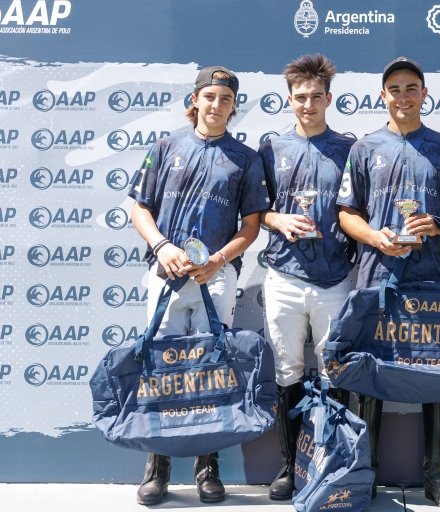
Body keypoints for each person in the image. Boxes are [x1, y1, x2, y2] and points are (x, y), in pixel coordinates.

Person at [128, 66, 269, 506]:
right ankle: (159, 466)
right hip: (165, 273)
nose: (216, 105)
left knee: (211, 366)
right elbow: (138, 207)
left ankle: (208, 467)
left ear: (233, 106)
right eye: (209, 96)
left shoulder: (245, 158)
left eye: (225, 99)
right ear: (194, 101)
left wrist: (218, 260)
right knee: (161, 367)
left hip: (216, 276)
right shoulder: (166, 146)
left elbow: (251, 226)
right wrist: (162, 245)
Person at [337, 56, 440, 510]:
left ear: (424, 93)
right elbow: (346, 213)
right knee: (371, 372)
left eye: (411, 87)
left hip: (435, 275)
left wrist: (437, 224)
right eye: (394, 88)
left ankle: (437, 477)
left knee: (439, 371)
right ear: (383, 95)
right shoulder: (364, 148)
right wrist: (375, 237)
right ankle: (365, 474)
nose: (403, 95)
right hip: (379, 274)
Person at [259, 53, 356, 501]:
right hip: (284, 276)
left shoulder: (351, 147)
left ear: (329, 99)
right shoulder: (270, 147)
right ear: (289, 100)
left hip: (336, 277)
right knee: (287, 371)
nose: (308, 104)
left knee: (336, 373)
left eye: (316, 97)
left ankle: (333, 463)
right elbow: (254, 212)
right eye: (300, 98)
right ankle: (289, 465)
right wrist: (278, 221)